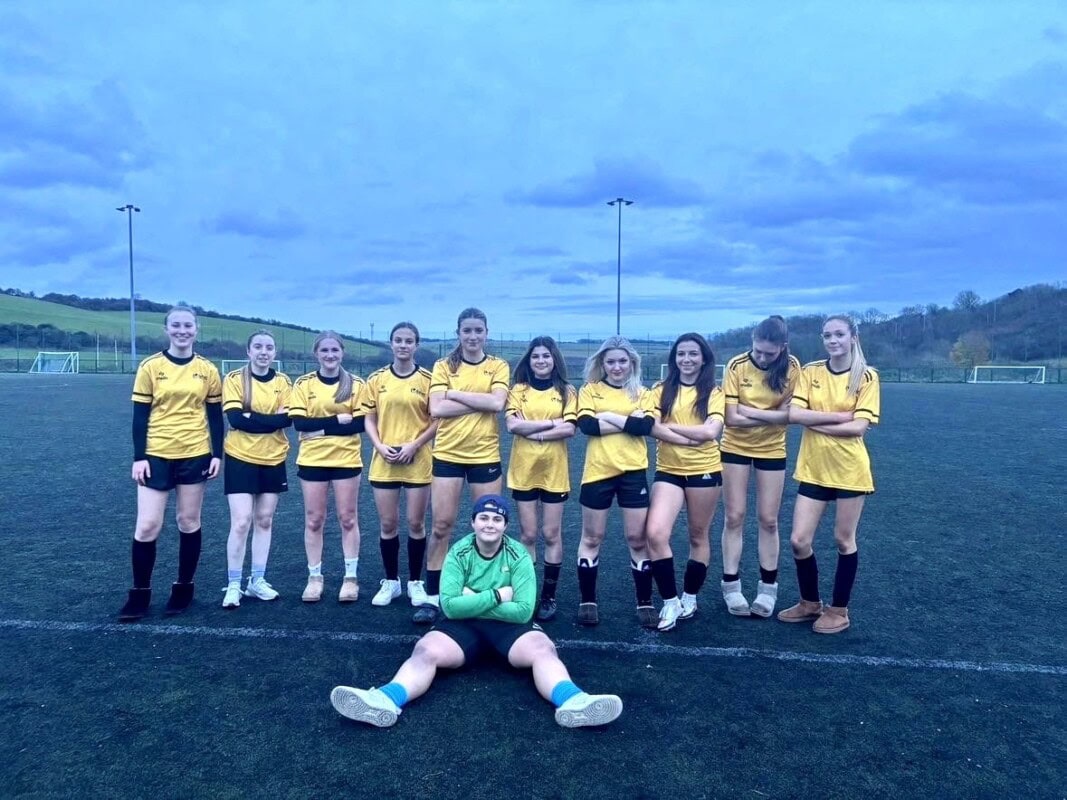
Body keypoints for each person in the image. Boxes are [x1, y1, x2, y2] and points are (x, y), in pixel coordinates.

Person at [329, 495, 623, 729]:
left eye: (497, 519)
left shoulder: (518, 554)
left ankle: (574, 701)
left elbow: (523, 612)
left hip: (507, 628)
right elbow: (449, 605)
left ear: (506, 526)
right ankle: (385, 700)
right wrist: (496, 595)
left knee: (544, 649)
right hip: (465, 627)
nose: (490, 524)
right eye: (483, 518)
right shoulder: (458, 551)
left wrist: (473, 598)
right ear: (472, 523)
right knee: (425, 650)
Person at [118, 305, 223, 621]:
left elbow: (215, 418)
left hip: (195, 453)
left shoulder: (207, 370)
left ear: (196, 329)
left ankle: (183, 589)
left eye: (188, 325)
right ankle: (140, 594)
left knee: (188, 522)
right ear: (167, 329)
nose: (182, 330)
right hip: (156, 455)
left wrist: (216, 453)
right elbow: (140, 417)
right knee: (148, 525)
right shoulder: (151, 366)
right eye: (176, 325)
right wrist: (139, 457)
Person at [778, 314, 880, 634]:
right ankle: (810, 603)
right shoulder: (810, 372)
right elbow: (794, 414)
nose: (832, 340)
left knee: (842, 539)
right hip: (813, 468)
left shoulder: (867, 377)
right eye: (827, 336)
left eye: (839, 334)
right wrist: (837, 418)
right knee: (798, 541)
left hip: (850, 470)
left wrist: (814, 421)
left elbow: (858, 428)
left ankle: (839, 610)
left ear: (853, 337)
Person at [416, 308, 510, 624]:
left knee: (489, 527)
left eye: (478, 331)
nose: (472, 336)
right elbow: (436, 408)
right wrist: (477, 399)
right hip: (448, 456)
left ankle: (485, 595)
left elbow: (497, 404)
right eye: (467, 331)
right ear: (458, 332)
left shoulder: (498, 365)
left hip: (485, 456)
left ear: (486, 332)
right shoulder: (443, 365)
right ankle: (433, 596)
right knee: (441, 526)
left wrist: (455, 393)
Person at [574, 336, 664, 628]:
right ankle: (588, 599)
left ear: (632, 363)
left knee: (638, 539)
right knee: (591, 538)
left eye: (622, 361)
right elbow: (587, 426)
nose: (616, 367)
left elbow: (644, 427)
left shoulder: (642, 392)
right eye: (611, 361)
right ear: (602, 363)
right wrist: (627, 420)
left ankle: (644, 600)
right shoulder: (589, 390)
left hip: (633, 472)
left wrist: (609, 416)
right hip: (597, 472)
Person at [719, 316, 801, 618]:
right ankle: (731, 586)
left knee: (768, 519)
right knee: (734, 516)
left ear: (782, 347)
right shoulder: (736, 366)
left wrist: (749, 411)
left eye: (769, 353)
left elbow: (791, 415)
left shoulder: (793, 368)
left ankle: (768, 589)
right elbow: (731, 418)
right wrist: (772, 414)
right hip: (734, 447)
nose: (762, 357)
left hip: (772, 449)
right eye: (758, 351)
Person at [646, 333, 726, 631]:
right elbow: (651, 427)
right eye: (681, 354)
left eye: (693, 354)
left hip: (705, 470)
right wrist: (689, 435)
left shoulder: (714, 392)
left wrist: (672, 428)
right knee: (655, 533)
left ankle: (690, 596)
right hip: (668, 470)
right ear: (674, 358)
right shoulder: (660, 389)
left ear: (703, 358)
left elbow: (711, 433)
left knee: (697, 536)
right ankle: (670, 601)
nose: (687, 359)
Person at [363, 322, 438, 608]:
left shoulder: (429, 380)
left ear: (416, 345)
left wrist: (414, 445)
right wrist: (379, 446)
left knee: (416, 523)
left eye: (409, 341)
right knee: (388, 523)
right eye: (398, 340)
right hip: (384, 460)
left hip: (417, 460)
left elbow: (437, 420)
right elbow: (369, 417)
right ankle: (391, 582)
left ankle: (415, 583)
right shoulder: (376, 379)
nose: (403, 345)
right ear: (391, 344)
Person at [289, 332, 367, 603]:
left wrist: (318, 428)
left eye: (335, 350)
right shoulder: (303, 384)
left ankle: (350, 578)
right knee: (314, 520)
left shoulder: (356, 384)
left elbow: (359, 424)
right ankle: (314, 577)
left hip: (346, 460)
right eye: (325, 350)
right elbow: (300, 424)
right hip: (312, 461)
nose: (330, 355)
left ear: (342, 353)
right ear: (317, 354)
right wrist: (335, 421)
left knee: (348, 518)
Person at [505, 336, 577, 621]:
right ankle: (527, 591)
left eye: (546, 356)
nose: (541, 361)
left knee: (551, 534)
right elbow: (512, 425)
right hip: (523, 470)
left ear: (554, 359)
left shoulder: (568, 391)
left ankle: (549, 595)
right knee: (528, 535)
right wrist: (550, 424)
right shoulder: (518, 390)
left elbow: (570, 428)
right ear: (529, 360)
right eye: (536, 357)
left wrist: (533, 430)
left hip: (554, 472)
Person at [220, 331, 293, 609]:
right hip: (240, 456)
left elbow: (287, 419)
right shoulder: (235, 379)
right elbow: (236, 420)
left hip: (274, 457)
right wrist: (267, 420)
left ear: (274, 352)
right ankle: (234, 584)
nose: (264, 352)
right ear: (249, 351)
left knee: (264, 520)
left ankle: (257, 581)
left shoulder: (284, 382)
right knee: (241, 522)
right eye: (258, 347)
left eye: (269, 347)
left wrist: (255, 417)